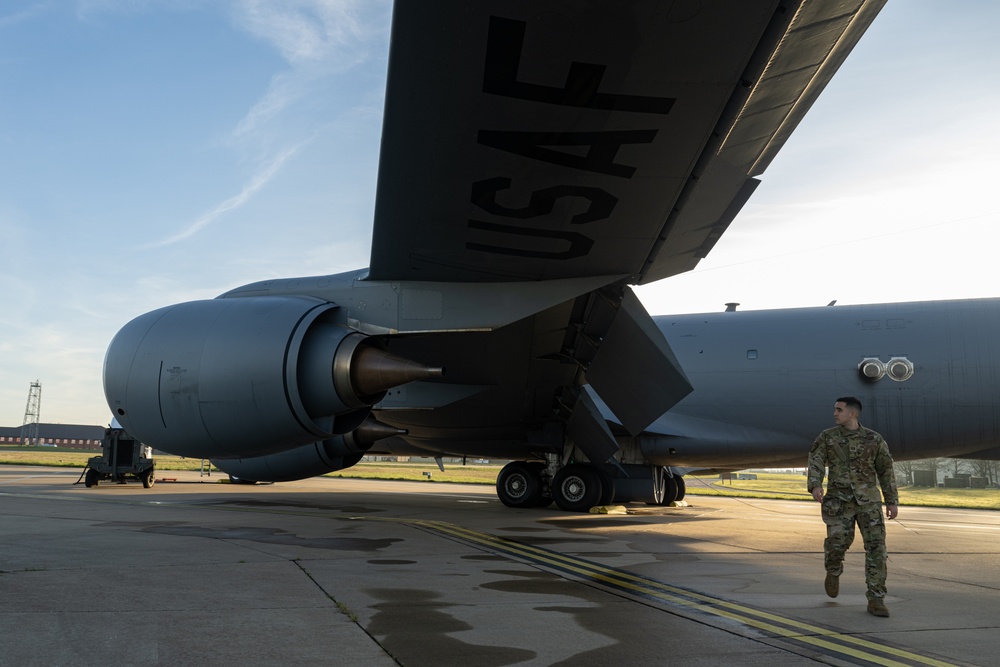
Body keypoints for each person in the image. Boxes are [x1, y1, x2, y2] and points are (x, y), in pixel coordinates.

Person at [807, 396, 898, 617]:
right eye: (835, 409)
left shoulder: (874, 439)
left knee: (877, 549)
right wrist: (815, 485)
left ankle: (876, 599)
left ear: (852, 414)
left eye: (839, 410)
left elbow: (886, 470)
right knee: (837, 544)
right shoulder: (827, 437)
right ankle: (833, 569)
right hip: (839, 502)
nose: (835, 413)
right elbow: (816, 460)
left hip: (869, 503)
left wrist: (891, 500)